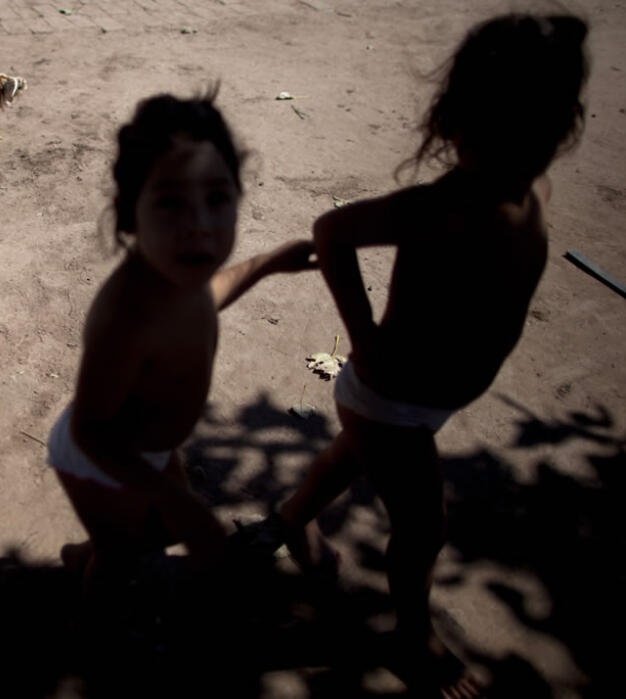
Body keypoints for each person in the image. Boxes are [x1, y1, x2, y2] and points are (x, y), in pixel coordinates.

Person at [266, 14, 588, 697]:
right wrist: (363, 337)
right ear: (458, 126)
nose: (519, 154)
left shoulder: (531, 193)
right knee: (422, 526)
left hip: (417, 402)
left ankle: (289, 518)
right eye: (501, 134)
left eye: (537, 133)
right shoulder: (443, 205)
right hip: (390, 399)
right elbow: (332, 230)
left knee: (346, 458)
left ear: (560, 129)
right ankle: (414, 636)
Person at [49, 89, 315, 592]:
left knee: (165, 528)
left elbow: (211, 295)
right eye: (171, 202)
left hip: (149, 448)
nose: (198, 227)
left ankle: (85, 551)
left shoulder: (180, 276)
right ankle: (89, 629)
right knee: (123, 556)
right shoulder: (128, 315)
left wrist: (267, 263)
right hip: (99, 460)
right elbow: (90, 431)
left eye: (217, 198)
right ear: (129, 216)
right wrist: (179, 503)